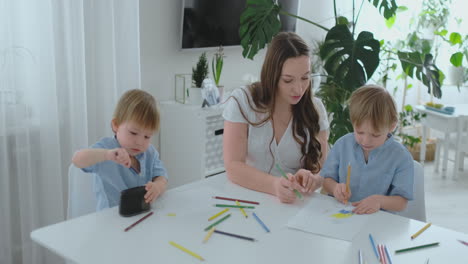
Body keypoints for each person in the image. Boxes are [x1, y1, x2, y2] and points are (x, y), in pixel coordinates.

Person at [223, 32, 329, 203]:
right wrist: (274, 185)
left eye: (305, 78)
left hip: (295, 203)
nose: (299, 89)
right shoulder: (243, 101)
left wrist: (311, 179)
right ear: (272, 76)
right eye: (288, 80)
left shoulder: (315, 109)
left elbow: (324, 170)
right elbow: (233, 166)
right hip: (246, 199)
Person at [321, 85, 414, 214]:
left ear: (392, 126)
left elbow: (401, 202)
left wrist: (379, 200)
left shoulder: (401, 157)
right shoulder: (342, 145)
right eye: (360, 132)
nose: (366, 141)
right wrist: (335, 188)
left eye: (375, 135)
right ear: (352, 122)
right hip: (341, 215)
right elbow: (326, 180)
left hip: (377, 222)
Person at [72, 89, 168, 211]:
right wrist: (106, 155)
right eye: (133, 133)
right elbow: (77, 159)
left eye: (147, 136)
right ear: (116, 125)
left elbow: (162, 177)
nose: (139, 142)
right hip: (111, 219)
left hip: (141, 214)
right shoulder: (107, 148)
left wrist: (158, 187)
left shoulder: (150, 152)